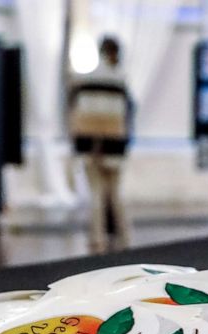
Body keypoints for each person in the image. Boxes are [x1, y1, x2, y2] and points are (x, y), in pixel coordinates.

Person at [68, 37, 132, 252]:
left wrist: (92, 143)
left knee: (96, 194)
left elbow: (81, 115)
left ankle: (97, 241)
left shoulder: (84, 80)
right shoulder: (120, 79)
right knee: (114, 194)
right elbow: (123, 116)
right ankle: (125, 239)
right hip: (114, 147)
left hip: (91, 146)